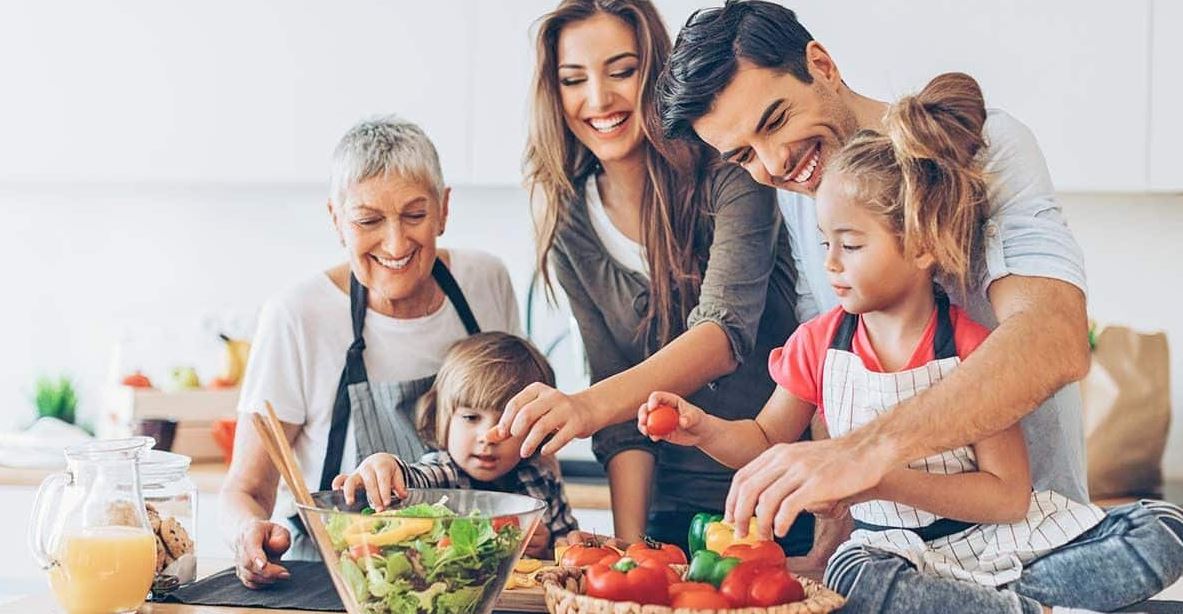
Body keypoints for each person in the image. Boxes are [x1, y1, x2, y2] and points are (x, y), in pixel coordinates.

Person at [642, 71, 1183, 614]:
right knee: (853, 573)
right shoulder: (818, 345)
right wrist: (703, 429)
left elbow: (1007, 495)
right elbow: (765, 440)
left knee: (1164, 528)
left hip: (996, 542)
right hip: (893, 553)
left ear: (922, 245)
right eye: (826, 242)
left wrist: (880, 475)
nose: (829, 262)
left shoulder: (975, 352)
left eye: (850, 244)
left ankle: (985, 604)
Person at [655, 0, 1096, 541]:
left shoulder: (986, 147)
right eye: (743, 156)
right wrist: (831, 539)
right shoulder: (803, 193)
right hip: (890, 547)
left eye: (775, 121)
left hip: (1032, 536)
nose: (774, 166)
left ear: (821, 65)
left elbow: (1054, 337)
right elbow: (830, 385)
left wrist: (867, 454)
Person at [489, 0, 830, 561]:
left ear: (657, 73)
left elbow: (724, 335)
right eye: (574, 79)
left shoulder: (733, 167)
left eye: (621, 71)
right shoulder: (569, 218)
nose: (598, 100)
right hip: (669, 515)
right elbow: (620, 421)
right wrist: (628, 552)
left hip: (779, 498)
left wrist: (586, 405)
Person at [219, 116, 521, 588]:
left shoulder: (485, 282)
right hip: (336, 583)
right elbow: (247, 488)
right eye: (368, 220)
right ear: (337, 220)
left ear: (444, 209)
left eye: (415, 215)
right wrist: (247, 534)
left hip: (467, 581)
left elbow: (526, 437)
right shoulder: (297, 316)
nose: (396, 243)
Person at [333, 332, 579, 559]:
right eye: (471, 418)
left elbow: (571, 550)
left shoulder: (542, 477)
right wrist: (384, 465)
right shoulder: (443, 471)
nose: (488, 437)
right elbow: (411, 480)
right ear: (443, 420)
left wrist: (547, 547)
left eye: (508, 424)